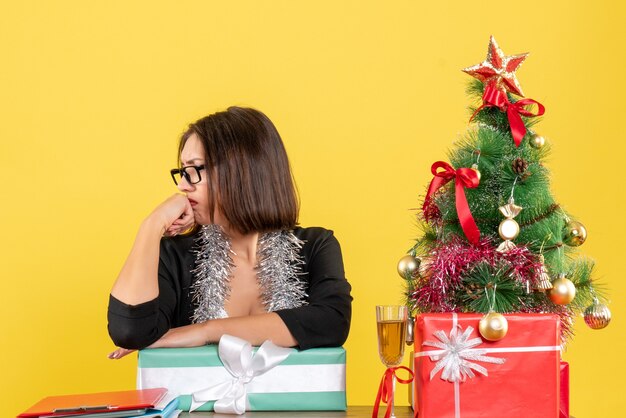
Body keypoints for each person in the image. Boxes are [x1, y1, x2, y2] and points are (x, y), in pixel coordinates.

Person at [107, 107, 352, 359]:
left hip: (290, 400)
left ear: (242, 172)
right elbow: (129, 331)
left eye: (194, 170)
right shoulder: (176, 256)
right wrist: (152, 224)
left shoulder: (314, 246)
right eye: (182, 171)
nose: (182, 185)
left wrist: (205, 331)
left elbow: (331, 322)